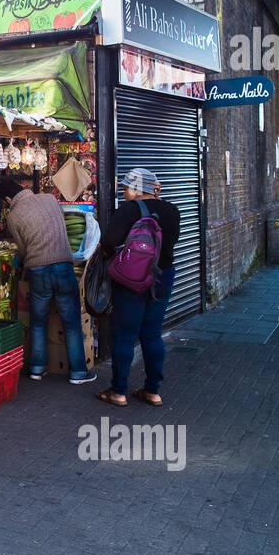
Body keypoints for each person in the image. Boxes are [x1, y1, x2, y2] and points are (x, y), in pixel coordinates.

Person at [0, 177, 96, 385]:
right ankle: (78, 372)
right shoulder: (50, 199)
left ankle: (37, 368)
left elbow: (22, 250)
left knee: (38, 322)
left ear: (7, 199)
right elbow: (60, 224)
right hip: (63, 265)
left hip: (38, 269)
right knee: (71, 321)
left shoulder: (14, 216)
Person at [96, 168, 182, 407]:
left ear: (134, 188)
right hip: (163, 276)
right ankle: (153, 391)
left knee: (124, 335)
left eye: (125, 188)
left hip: (132, 280)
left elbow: (110, 241)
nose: (124, 192)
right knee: (152, 333)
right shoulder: (171, 210)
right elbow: (172, 241)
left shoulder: (129, 210)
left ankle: (118, 392)